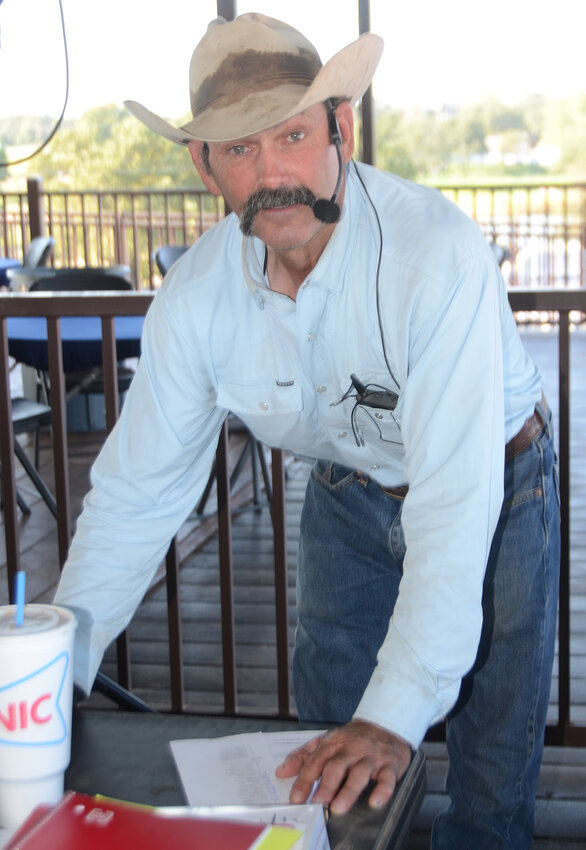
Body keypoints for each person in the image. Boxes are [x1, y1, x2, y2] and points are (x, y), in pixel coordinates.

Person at [54, 13, 560, 849]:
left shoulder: (436, 260)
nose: (272, 173)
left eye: (291, 135)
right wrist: (54, 674)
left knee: (491, 766)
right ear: (203, 164)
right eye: (239, 149)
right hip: (343, 489)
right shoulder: (194, 301)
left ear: (340, 129)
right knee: (324, 754)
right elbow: (138, 495)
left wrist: (394, 719)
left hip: (497, 487)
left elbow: (454, 499)